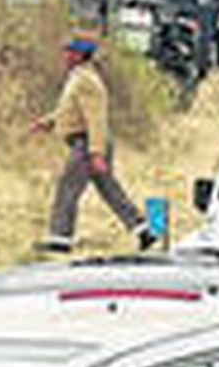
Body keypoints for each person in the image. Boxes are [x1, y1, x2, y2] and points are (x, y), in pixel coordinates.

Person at [32, 39, 155, 253]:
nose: (66, 56)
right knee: (109, 190)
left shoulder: (87, 81)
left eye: (70, 52)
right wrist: (49, 122)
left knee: (67, 188)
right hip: (89, 142)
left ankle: (60, 239)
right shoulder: (79, 77)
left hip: (87, 142)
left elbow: (96, 119)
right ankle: (143, 230)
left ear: (80, 56)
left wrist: (96, 152)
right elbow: (69, 109)